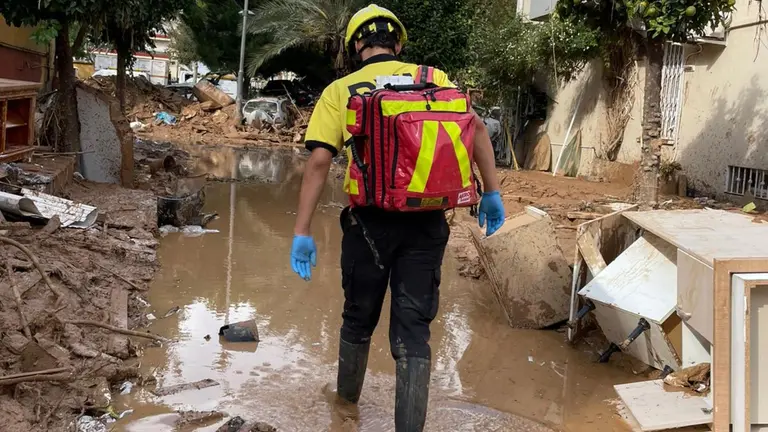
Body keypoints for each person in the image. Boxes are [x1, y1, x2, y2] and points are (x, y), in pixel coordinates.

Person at [289, 4, 506, 431]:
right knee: (413, 331)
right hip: (427, 223)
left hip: (368, 224)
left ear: (356, 45)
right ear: (399, 42)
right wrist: (492, 192)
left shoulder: (342, 90)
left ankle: (345, 406)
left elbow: (318, 162)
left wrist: (302, 231)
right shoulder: (435, 80)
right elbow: (476, 126)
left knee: (358, 317)